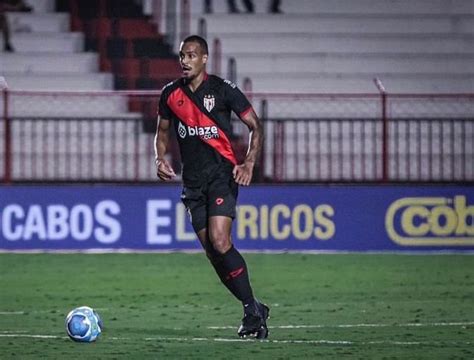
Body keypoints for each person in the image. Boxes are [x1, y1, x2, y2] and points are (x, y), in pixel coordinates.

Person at [154, 35, 269, 339]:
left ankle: (249, 312)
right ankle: (256, 307)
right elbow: (162, 132)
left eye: (191, 55)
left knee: (220, 241)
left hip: (221, 177)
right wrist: (159, 158)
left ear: (204, 58)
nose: (185, 61)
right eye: (182, 56)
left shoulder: (222, 90)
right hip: (192, 184)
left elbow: (255, 125)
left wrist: (248, 163)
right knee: (213, 253)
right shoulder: (170, 94)